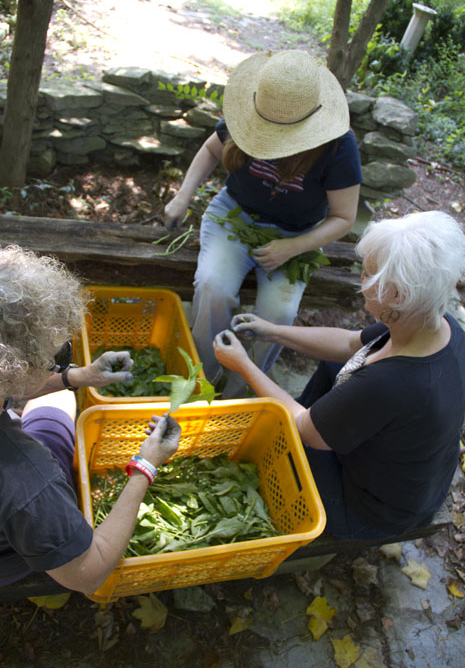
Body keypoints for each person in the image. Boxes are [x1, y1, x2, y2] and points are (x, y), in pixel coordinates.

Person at [212, 211, 465, 540]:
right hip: (416, 481)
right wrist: (272, 330)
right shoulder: (440, 324)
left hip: (369, 512)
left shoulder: (389, 385)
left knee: (286, 439)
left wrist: (243, 364)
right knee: (335, 367)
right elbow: (349, 343)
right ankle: (308, 416)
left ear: (398, 297)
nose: (362, 280)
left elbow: (304, 428)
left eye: (368, 274)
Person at [164, 49, 363, 397]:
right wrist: (183, 195)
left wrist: (293, 247)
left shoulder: (338, 147)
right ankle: (200, 379)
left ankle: (241, 390)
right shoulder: (251, 110)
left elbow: (344, 217)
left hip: (298, 234)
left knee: (278, 313)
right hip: (234, 216)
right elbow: (212, 150)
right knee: (213, 287)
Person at [0, 246, 181, 593]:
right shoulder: (29, 482)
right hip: (13, 555)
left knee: (61, 395)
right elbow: (89, 573)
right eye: (58, 356)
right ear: (15, 372)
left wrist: (77, 377)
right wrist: (146, 465)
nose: (63, 361)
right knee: (61, 413)